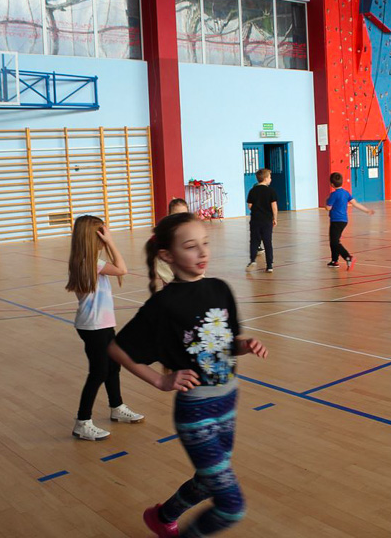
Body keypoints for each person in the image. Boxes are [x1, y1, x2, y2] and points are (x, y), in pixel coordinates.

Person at [108, 213, 268, 538]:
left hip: (228, 402)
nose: (202, 253)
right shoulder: (164, 304)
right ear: (168, 255)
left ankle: (163, 516)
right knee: (231, 506)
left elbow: (226, 343)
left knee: (207, 481)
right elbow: (116, 348)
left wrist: (245, 345)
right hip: (196, 413)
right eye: (191, 247)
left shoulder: (220, 289)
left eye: (205, 244)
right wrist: (160, 380)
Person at [66, 215, 144, 441]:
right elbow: (122, 269)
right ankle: (82, 422)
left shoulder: (85, 261)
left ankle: (117, 407)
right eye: (102, 233)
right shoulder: (91, 263)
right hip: (94, 326)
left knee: (112, 366)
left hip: (101, 324)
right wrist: (111, 242)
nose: (104, 236)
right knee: (99, 371)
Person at [325, 172, 374, 271]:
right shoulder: (346, 193)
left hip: (336, 221)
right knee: (334, 241)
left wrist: (326, 202)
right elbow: (355, 204)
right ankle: (334, 261)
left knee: (335, 242)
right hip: (344, 220)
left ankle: (348, 257)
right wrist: (367, 210)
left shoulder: (333, 195)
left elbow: (328, 208)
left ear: (332, 184)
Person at [246, 168, 278, 273]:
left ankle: (252, 260)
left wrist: (257, 209)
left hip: (255, 220)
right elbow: (274, 206)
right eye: (270, 177)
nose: (271, 179)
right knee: (267, 242)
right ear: (265, 178)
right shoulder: (270, 191)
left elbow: (250, 205)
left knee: (254, 241)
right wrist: (275, 218)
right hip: (266, 220)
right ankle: (269, 265)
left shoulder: (252, 191)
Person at [154, 198, 190, 288]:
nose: (180, 218)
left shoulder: (192, 231)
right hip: (169, 271)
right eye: (176, 214)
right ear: (169, 215)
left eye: (184, 214)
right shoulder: (164, 232)